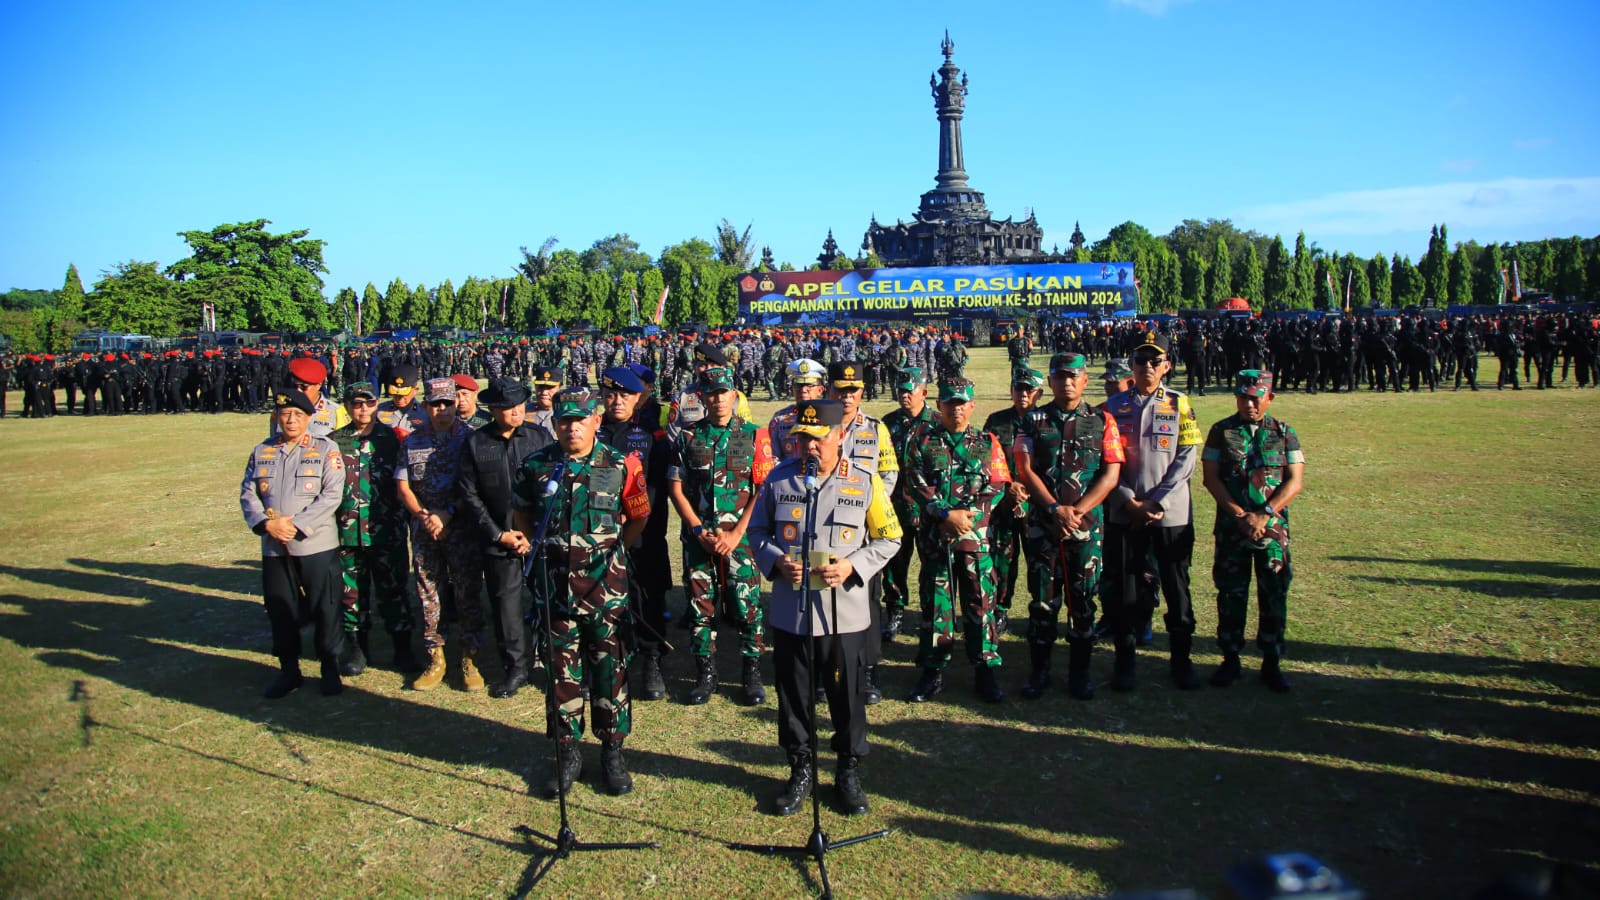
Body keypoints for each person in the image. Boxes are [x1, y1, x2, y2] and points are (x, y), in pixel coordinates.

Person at [748, 398, 902, 816]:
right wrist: (776, 559)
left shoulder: (864, 481)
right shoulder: (779, 481)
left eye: (818, 439)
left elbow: (890, 538)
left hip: (845, 613)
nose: (809, 447)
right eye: (802, 439)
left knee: (846, 696)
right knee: (793, 697)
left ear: (839, 436)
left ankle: (848, 771)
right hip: (791, 614)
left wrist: (854, 565)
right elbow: (757, 531)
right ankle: (800, 768)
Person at [511, 387, 651, 797]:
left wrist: (607, 550)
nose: (571, 427)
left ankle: (612, 752)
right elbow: (523, 516)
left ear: (596, 420)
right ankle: (567, 752)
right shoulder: (535, 466)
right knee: (561, 675)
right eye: (563, 420)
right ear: (554, 423)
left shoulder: (622, 463)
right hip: (555, 590)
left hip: (606, 589)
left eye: (579, 419)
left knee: (611, 672)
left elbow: (638, 517)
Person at [1012, 353, 1125, 700]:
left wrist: (1075, 511)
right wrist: (1053, 508)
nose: (1067, 382)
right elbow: (1025, 468)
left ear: (1085, 380)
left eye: (1073, 376)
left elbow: (1111, 473)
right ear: (1050, 381)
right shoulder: (1032, 419)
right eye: (1059, 377)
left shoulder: (1103, 420)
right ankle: (1040, 672)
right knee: (1043, 602)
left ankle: (1080, 675)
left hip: (1086, 528)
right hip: (1043, 527)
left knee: (1084, 602)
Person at [1102, 333, 1205, 691]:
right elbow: (1107, 460)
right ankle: (1124, 662)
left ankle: (1182, 660)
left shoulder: (1181, 404)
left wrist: (1156, 501)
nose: (1147, 366)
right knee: (1124, 590)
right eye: (1140, 360)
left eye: (1154, 360)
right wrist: (1129, 501)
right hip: (1124, 511)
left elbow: (1186, 458)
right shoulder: (1112, 407)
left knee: (1177, 588)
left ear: (1166, 366)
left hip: (1170, 513)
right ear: (1130, 366)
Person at [668, 366, 776, 705]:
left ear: (734, 395)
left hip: (740, 541)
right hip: (699, 539)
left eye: (724, 392)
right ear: (701, 397)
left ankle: (751, 672)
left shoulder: (755, 435)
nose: (718, 399)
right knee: (700, 608)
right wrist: (697, 529)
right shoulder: (686, 437)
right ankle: (706, 674)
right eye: (712, 393)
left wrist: (738, 533)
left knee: (747, 606)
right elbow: (676, 487)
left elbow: (761, 489)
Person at [902, 377, 1012, 704]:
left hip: (975, 540)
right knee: (937, 606)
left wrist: (968, 517)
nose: (956, 408)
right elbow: (915, 481)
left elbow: (997, 485)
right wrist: (945, 515)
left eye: (962, 402)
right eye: (950, 402)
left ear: (973, 406)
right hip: (937, 537)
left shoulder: (987, 442)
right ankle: (932, 672)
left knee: (980, 603)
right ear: (939, 405)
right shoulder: (920, 440)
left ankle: (985, 670)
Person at [239, 389, 348, 698]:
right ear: (277, 417)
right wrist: (266, 524)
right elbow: (248, 493)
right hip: (274, 544)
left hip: (314, 543)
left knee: (325, 607)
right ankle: (289, 671)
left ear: (309, 418)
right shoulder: (262, 451)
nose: (290, 420)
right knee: (280, 607)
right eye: (285, 414)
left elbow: (331, 495)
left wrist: (297, 525)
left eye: (298, 415)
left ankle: (329, 668)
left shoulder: (325, 449)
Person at [1201, 370, 1305, 692]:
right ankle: (1230, 659)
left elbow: (1294, 481)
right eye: (1243, 397)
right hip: (1233, 529)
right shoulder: (1221, 431)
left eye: (1256, 397)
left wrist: (1264, 515)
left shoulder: (1284, 432)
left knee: (1273, 594)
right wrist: (1239, 514)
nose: (1249, 403)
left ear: (1269, 398)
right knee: (1231, 594)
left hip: (1272, 531)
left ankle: (1271, 661)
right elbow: (1211, 478)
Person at [456, 377, 551, 699]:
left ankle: (550, 662)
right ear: (494, 410)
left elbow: (555, 485)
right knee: (505, 607)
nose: (517, 411)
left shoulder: (540, 438)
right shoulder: (476, 443)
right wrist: (498, 534)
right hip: (499, 538)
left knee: (549, 602)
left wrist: (534, 533)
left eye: (521, 405)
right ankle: (516, 668)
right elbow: (469, 494)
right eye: (509, 407)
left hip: (540, 538)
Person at [394, 378, 485, 691]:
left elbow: (474, 486)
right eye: (436, 404)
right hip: (424, 530)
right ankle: (436, 657)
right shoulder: (411, 441)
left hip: (461, 528)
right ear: (427, 405)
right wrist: (424, 516)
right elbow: (403, 486)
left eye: (448, 403)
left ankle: (470, 658)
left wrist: (447, 514)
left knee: (467, 591)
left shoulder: (471, 438)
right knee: (428, 592)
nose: (443, 409)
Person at [595, 366, 672, 701]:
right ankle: (606, 660)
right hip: (597, 537)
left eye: (625, 395)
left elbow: (656, 490)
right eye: (610, 395)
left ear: (638, 397)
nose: (617, 402)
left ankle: (652, 659)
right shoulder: (590, 432)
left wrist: (633, 530)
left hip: (643, 535)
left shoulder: (652, 437)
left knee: (648, 596)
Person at [328, 381, 416, 676]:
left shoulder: (394, 439)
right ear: (347, 406)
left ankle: (402, 648)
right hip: (347, 533)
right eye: (356, 404)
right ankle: (356, 648)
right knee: (351, 594)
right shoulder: (333, 442)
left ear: (377, 404)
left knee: (393, 591)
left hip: (386, 531)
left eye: (368, 403)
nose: (363, 409)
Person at [828, 360, 898, 704]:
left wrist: (864, 516)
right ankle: (824, 672)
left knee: (867, 602)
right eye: (841, 389)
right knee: (821, 601)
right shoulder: (816, 425)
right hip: (824, 532)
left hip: (862, 536)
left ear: (862, 392)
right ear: (830, 389)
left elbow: (887, 477)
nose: (847, 396)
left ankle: (868, 672)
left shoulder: (876, 429)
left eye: (853, 390)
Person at [981, 367, 1044, 634]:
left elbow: (1053, 463)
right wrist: (1009, 487)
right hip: (1003, 505)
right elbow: (984, 460)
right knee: (1002, 561)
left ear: (1039, 393)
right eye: (1019, 389)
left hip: (1037, 506)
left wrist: (1029, 489)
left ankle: (1041, 612)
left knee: (1039, 562)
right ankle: (1000, 610)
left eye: (1029, 390)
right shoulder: (997, 421)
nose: (1023, 394)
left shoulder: (1047, 420)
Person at [879, 367, 936, 642]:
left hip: (927, 509)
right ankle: (895, 612)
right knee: (894, 564)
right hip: (895, 506)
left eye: (909, 391)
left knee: (931, 564)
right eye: (900, 391)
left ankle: (929, 613)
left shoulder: (937, 423)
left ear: (923, 392)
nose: (903, 396)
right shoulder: (888, 423)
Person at [271, 357, 349, 439]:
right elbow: (274, 441)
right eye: (294, 386)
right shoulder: (280, 410)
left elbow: (345, 445)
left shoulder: (337, 411)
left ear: (318, 385)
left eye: (303, 387)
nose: (298, 391)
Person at [767, 358, 827, 461]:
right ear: (792, 390)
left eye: (810, 385)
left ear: (820, 390)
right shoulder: (779, 419)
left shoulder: (831, 417)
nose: (803, 390)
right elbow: (773, 457)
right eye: (798, 386)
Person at [376, 363, 428, 439]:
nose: (399, 398)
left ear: (415, 390)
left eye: (403, 395)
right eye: (395, 394)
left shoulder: (426, 413)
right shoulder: (378, 411)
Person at [525, 364, 564, 439]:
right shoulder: (523, 412)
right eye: (540, 387)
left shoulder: (567, 414)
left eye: (550, 387)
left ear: (560, 389)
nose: (544, 392)